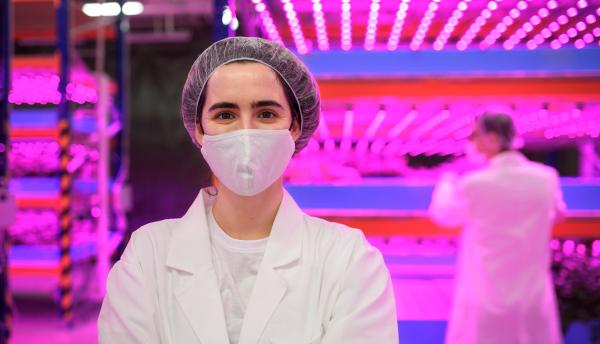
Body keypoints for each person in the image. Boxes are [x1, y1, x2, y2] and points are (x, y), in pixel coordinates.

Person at [98, 37, 398, 344]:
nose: (246, 133)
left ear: (294, 127)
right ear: (199, 129)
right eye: (225, 115)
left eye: (266, 114)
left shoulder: (349, 259)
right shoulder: (147, 256)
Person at [428, 111, 566, 344]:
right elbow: (559, 213)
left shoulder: (474, 184)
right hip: (533, 298)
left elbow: (443, 214)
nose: (471, 142)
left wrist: (446, 182)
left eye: (474, 135)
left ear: (491, 138)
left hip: (486, 298)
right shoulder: (546, 177)